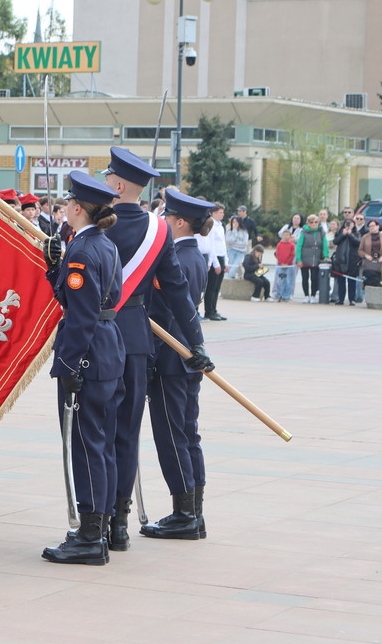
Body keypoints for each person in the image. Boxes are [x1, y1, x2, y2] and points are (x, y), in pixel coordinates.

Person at [101, 147, 211, 552]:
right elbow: (180, 294)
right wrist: (197, 340)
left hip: (126, 347)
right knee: (133, 436)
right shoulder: (160, 233)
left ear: (116, 183)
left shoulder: (103, 225)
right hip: (145, 343)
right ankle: (128, 523)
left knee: (106, 436)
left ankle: (106, 520)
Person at [40, 171, 124, 566]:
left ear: (76, 209)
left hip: (88, 353)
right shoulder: (103, 244)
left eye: (68, 205)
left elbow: (80, 315)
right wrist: (54, 266)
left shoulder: (84, 250)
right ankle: (100, 526)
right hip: (109, 348)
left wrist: (70, 363)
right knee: (102, 443)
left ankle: (90, 537)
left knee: (86, 445)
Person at [142, 188, 216, 542]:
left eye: (167, 217)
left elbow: (166, 313)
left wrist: (150, 356)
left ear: (181, 221)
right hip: (186, 358)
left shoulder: (177, 258)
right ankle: (194, 512)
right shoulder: (194, 255)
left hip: (172, 357)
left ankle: (184, 513)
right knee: (188, 434)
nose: (163, 222)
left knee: (172, 436)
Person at [201, 204, 228, 322]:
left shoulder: (221, 226)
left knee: (217, 287)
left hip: (221, 256)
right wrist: (214, 263)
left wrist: (226, 261)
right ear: (214, 213)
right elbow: (211, 244)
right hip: (214, 257)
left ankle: (214, 309)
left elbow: (223, 244)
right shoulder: (210, 224)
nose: (222, 214)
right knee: (211, 286)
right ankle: (209, 310)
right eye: (220, 212)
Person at [295, 215, 328, 303]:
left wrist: (326, 256)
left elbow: (324, 244)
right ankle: (306, 295)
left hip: (316, 258)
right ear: (308, 223)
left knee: (314, 278)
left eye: (315, 222)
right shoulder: (304, 232)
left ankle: (313, 295)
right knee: (305, 278)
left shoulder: (321, 232)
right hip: (305, 257)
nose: (313, 224)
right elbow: (299, 246)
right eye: (311, 222)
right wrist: (298, 259)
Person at [360, 219, 382, 287]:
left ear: (378, 226)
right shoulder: (365, 237)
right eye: (370, 226)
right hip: (369, 262)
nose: (371, 227)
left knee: (378, 281)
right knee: (369, 280)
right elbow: (360, 251)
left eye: (373, 226)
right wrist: (366, 255)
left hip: (381, 262)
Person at [274, 229, 297, 301]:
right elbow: (277, 254)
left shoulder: (291, 245)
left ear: (290, 236)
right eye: (284, 235)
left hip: (289, 266)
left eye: (287, 235)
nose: (285, 236)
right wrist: (281, 263)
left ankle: (286, 295)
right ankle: (279, 294)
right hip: (280, 266)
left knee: (288, 281)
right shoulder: (279, 244)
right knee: (280, 280)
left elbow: (292, 255)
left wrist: (287, 263)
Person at [225, 215, 249, 281]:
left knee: (235, 266)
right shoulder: (230, 231)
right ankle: (230, 279)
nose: (235, 223)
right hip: (231, 251)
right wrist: (234, 231)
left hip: (240, 252)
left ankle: (228, 279)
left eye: (236, 222)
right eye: (233, 222)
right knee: (230, 267)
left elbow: (245, 243)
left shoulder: (244, 231)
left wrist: (236, 243)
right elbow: (229, 241)